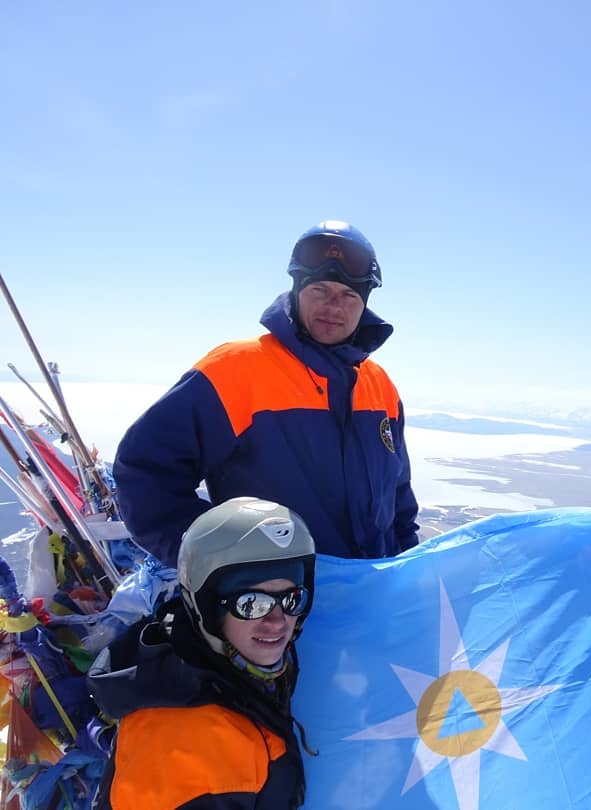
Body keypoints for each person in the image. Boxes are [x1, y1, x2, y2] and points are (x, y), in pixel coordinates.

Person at [113, 220, 419, 566]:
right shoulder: (235, 370)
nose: (334, 306)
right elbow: (145, 472)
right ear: (297, 289)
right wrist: (212, 562)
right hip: (267, 608)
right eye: (320, 289)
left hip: (367, 596)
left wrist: (407, 570)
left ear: (364, 303)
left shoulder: (379, 386)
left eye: (349, 295)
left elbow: (398, 498)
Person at [89, 497, 317, 809]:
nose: (277, 622)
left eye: (292, 600)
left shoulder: (224, 672)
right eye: (251, 604)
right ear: (207, 609)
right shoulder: (184, 743)